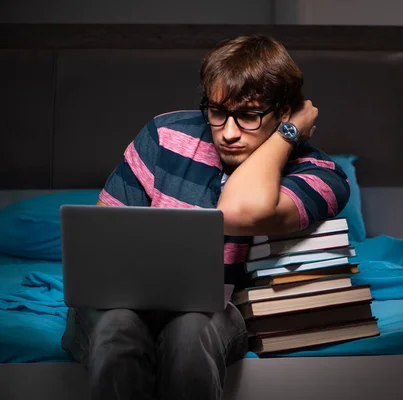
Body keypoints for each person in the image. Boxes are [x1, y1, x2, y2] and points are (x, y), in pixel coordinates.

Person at [61, 34, 351, 400]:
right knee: (118, 328)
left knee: (191, 332)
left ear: (283, 113)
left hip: (216, 311)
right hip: (118, 306)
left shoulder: (319, 175)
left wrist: (286, 136)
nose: (228, 133)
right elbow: (102, 245)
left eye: (249, 116)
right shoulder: (164, 136)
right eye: (217, 112)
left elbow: (235, 212)